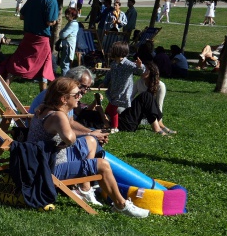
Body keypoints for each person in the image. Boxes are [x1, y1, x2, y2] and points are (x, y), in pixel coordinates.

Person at [27, 78, 149, 216]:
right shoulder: (58, 116)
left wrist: (86, 135)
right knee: (103, 165)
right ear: (64, 99)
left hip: (43, 159)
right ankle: (121, 205)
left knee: (90, 141)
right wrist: (66, 138)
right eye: (76, 94)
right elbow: (71, 139)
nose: (80, 96)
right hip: (48, 168)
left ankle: (85, 188)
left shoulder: (45, 109)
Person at [0, 0, 60, 90]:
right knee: (44, 67)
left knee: (17, 62)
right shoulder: (52, 1)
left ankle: (4, 89)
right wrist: (54, 22)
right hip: (41, 39)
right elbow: (50, 21)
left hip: (28, 37)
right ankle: (44, 96)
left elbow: (22, 16)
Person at [119, 63, 176, 134]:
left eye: (145, 70)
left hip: (152, 113)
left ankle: (160, 125)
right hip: (140, 111)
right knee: (145, 96)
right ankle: (158, 127)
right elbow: (129, 97)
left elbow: (159, 105)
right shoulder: (139, 82)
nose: (142, 71)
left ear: (152, 72)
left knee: (147, 97)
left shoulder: (160, 86)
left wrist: (159, 120)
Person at [103, 41, 144, 130]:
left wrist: (140, 66)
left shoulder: (127, 64)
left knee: (113, 109)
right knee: (109, 109)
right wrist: (104, 82)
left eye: (112, 49)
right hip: (114, 89)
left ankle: (114, 127)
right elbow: (109, 74)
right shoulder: (114, 63)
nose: (111, 51)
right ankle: (107, 122)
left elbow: (139, 71)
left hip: (122, 92)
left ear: (118, 51)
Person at [57, 7, 80, 75]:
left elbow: (62, 35)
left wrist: (63, 34)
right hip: (65, 45)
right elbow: (62, 33)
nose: (66, 15)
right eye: (66, 14)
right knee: (63, 63)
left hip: (68, 46)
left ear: (73, 15)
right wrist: (62, 34)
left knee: (65, 64)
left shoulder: (73, 24)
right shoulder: (70, 23)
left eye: (68, 14)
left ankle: (65, 80)